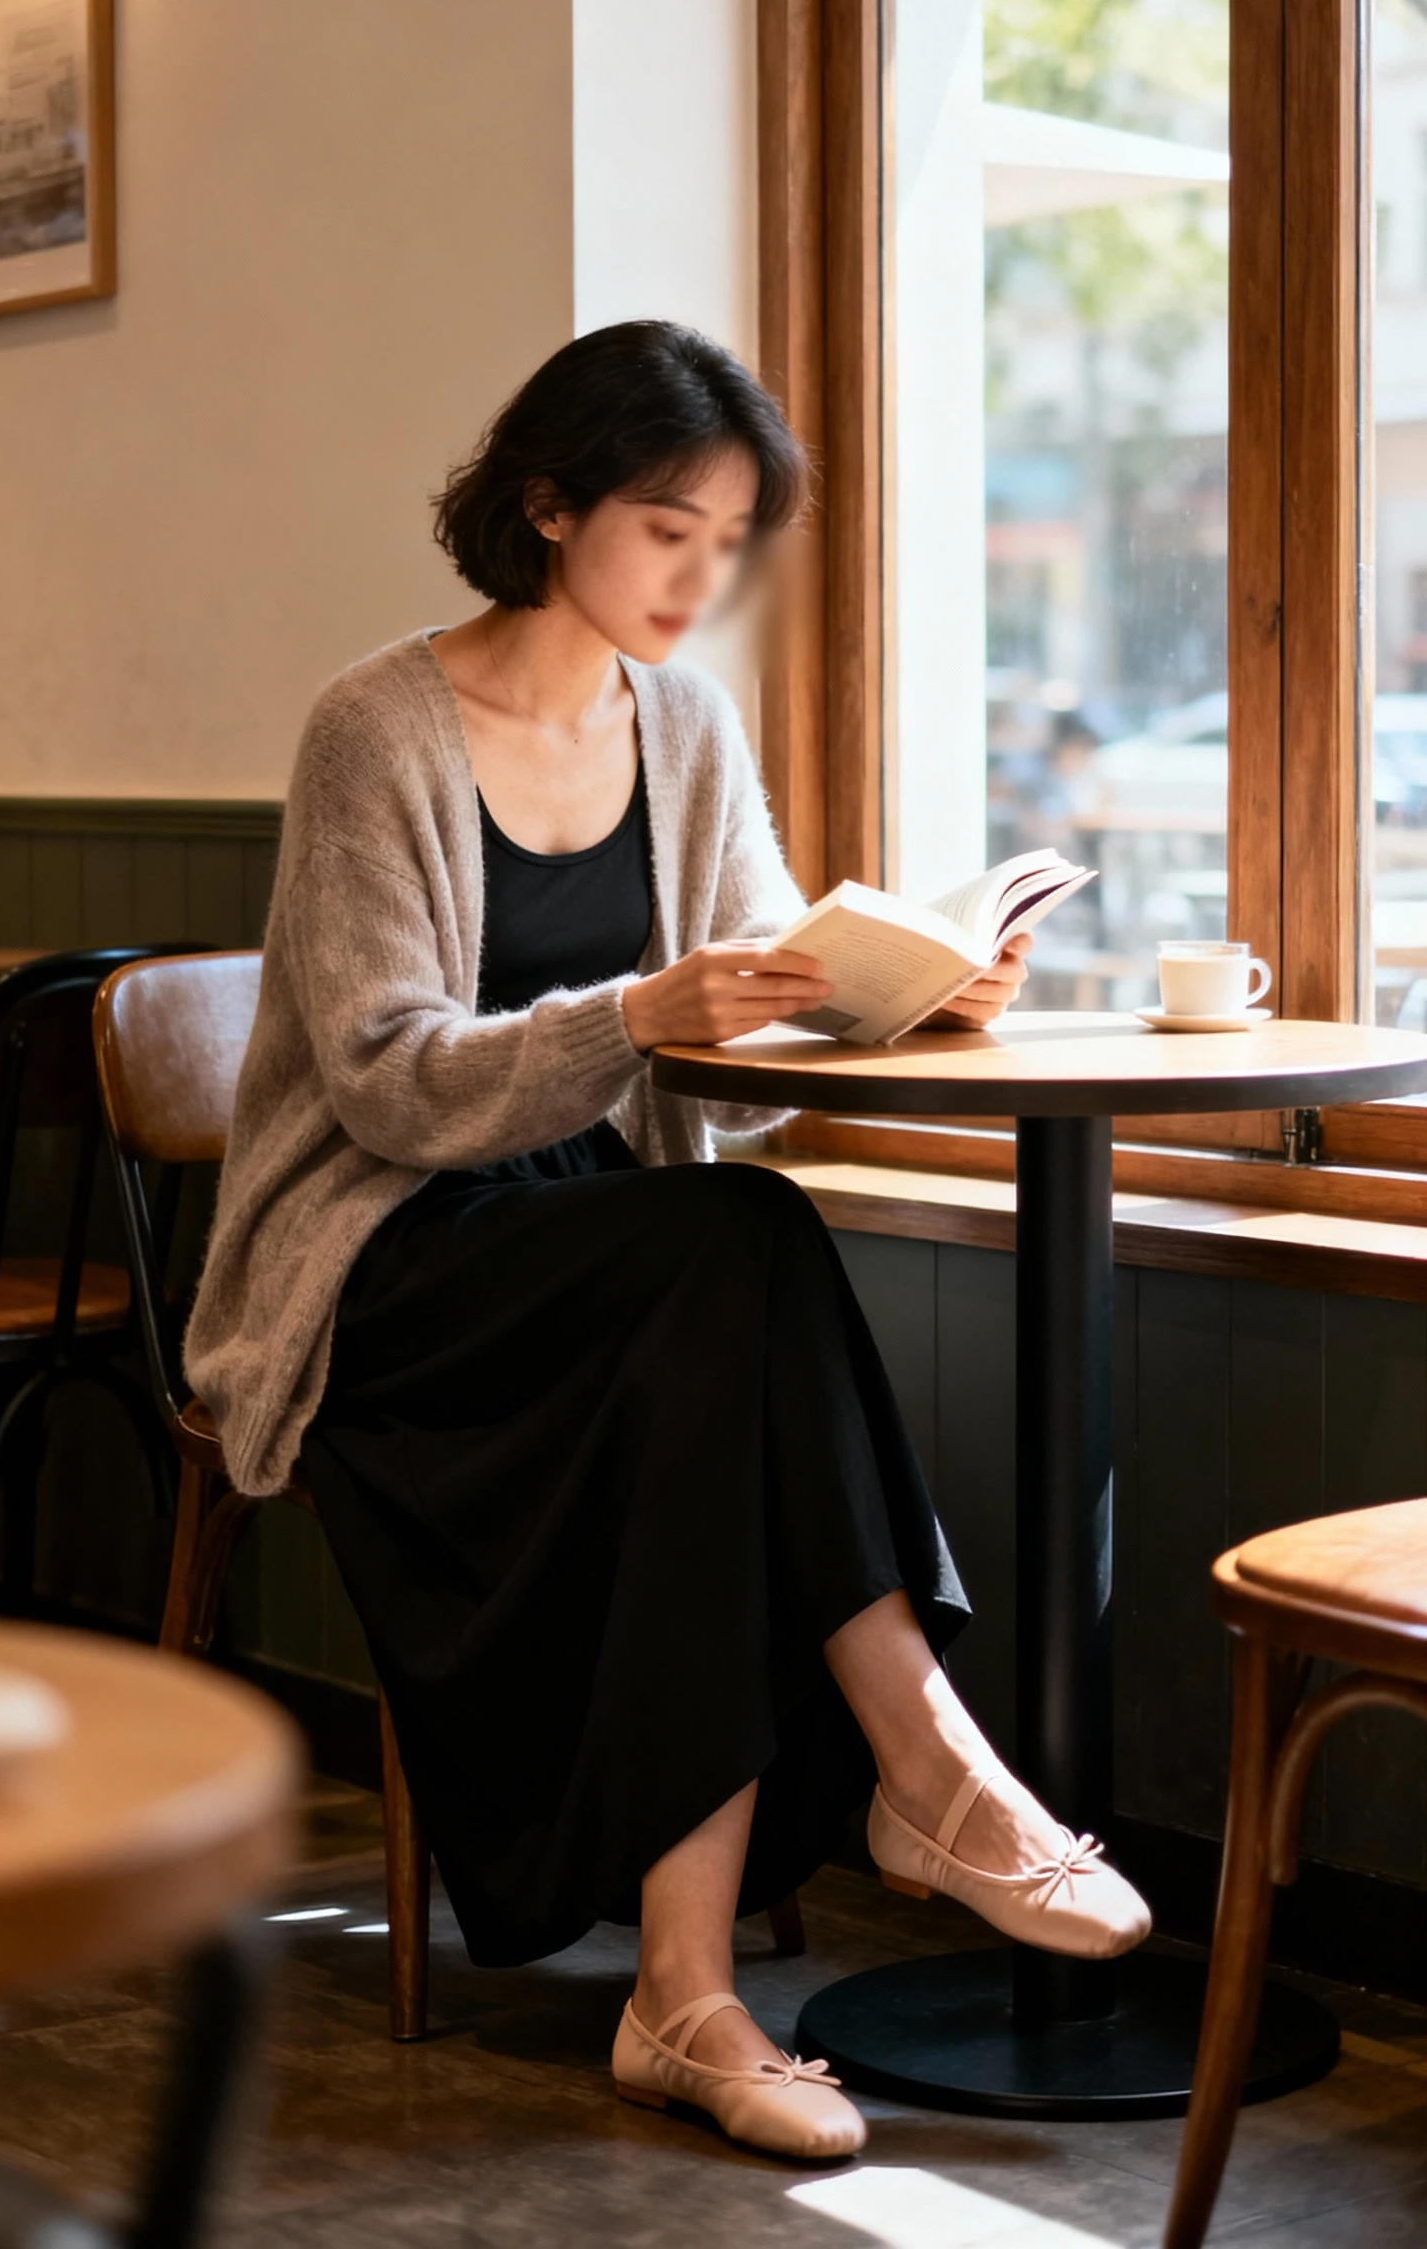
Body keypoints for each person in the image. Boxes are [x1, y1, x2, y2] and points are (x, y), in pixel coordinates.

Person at [185, 320, 1150, 2165]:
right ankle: (928, 1774)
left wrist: (910, 997)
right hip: (387, 1263)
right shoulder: (374, 727)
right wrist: (636, 1014)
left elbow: (755, 1023)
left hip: (607, 1250)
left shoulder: (687, 725)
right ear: (549, 509)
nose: (701, 581)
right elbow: (386, 1087)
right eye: (665, 529)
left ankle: (687, 1993)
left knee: (719, 1292)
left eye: (728, 543)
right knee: (727, 1259)